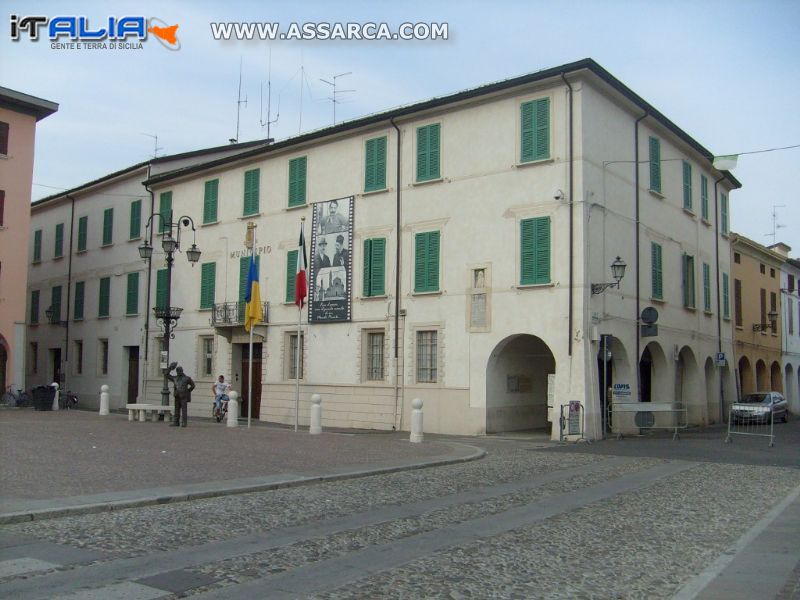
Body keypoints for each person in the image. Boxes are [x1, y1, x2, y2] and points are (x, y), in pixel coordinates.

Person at [166, 362, 196, 427]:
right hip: (177, 395)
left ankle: (184, 423)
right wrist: (170, 368)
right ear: (176, 371)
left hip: (183, 396)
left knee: (184, 410)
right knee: (176, 409)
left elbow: (193, 385)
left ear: (182, 371)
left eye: (180, 370)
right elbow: (166, 375)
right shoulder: (175, 378)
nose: (179, 372)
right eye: (178, 371)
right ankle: (176, 422)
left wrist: (188, 391)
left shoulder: (187, 378)